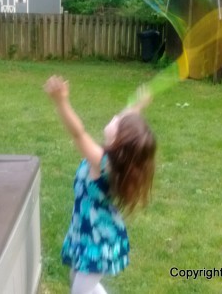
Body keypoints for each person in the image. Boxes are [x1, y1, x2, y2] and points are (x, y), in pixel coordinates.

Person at [43, 75, 156, 294]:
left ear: (118, 141)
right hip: (90, 231)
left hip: (97, 239)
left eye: (117, 121)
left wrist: (61, 102)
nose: (115, 116)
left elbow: (78, 133)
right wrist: (136, 106)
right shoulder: (119, 159)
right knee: (79, 279)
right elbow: (127, 123)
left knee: (80, 289)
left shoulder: (103, 163)